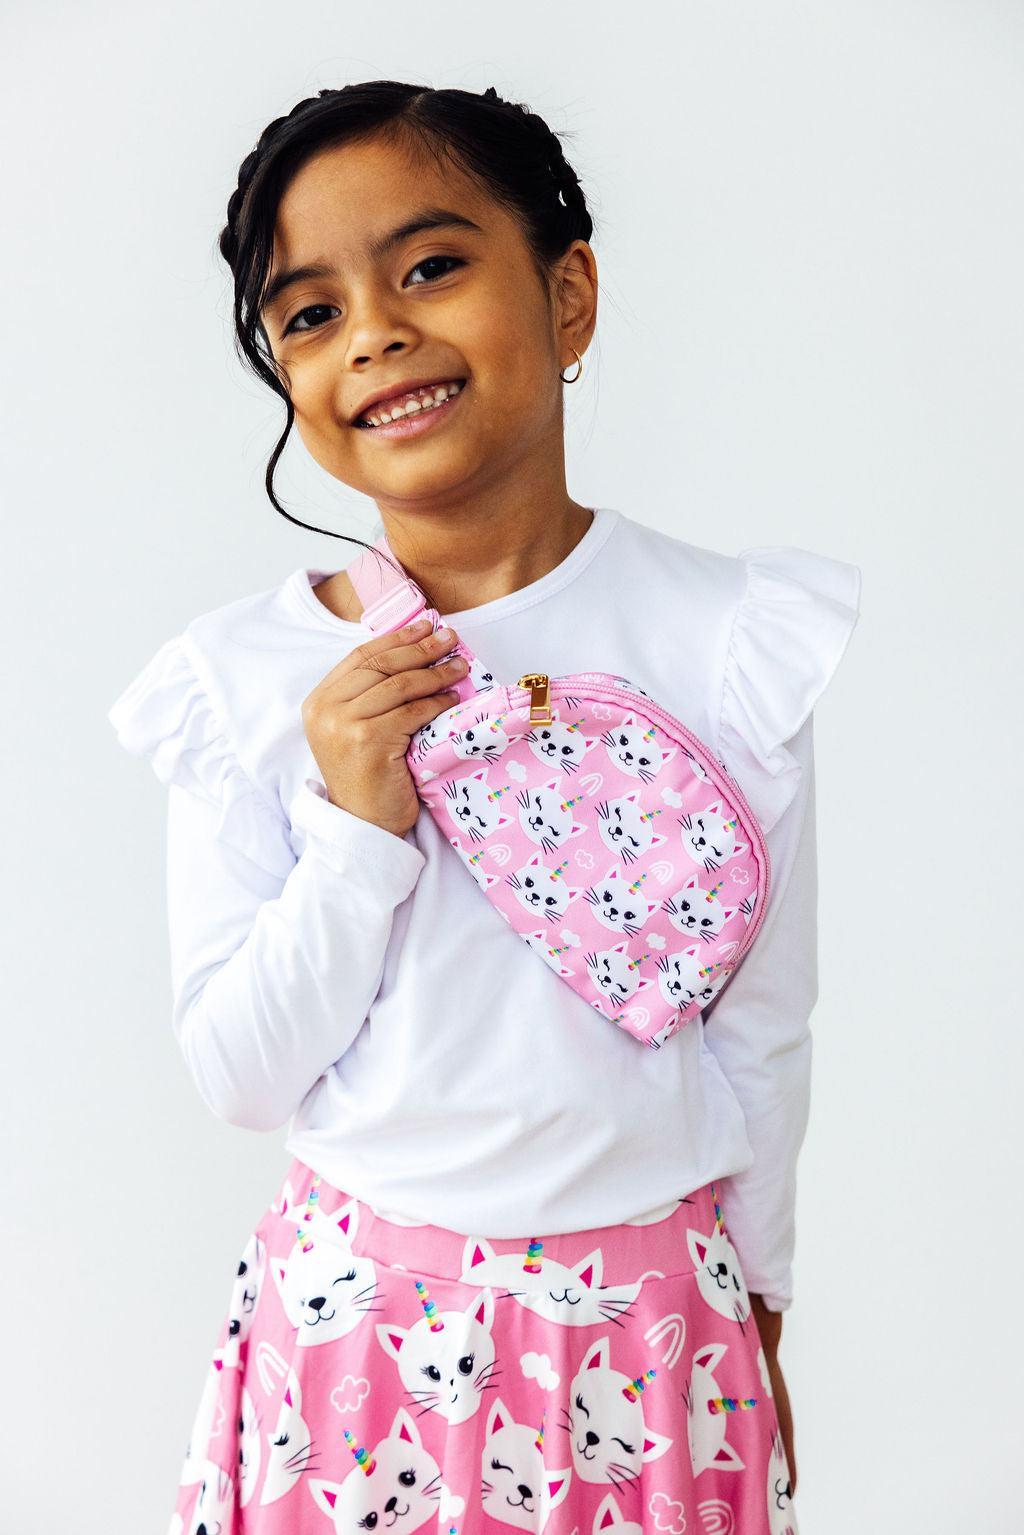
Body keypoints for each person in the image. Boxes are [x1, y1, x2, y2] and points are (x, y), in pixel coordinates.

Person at [108, 80, 861, 1534]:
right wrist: (353, 830)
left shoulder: (724, 640)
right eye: (310, 312)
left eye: (432, 266)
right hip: (353, 1344)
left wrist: (762, 1305)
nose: (375, 333)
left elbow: (764, 1027)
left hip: (654, 1336)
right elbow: (242, 1076)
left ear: (569, 297)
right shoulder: (245, 679)